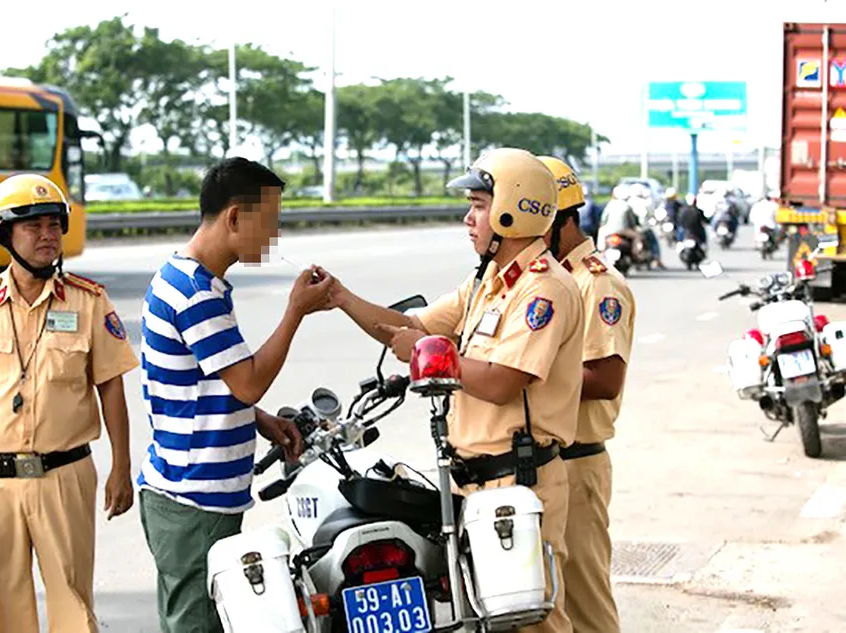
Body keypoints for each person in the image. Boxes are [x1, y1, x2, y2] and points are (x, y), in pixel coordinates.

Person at [326, 147, 584, 633]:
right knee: (482, 621)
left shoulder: (544, 289)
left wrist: (429, 353)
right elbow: (408, 327)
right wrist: (341, 298)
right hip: (472, 482)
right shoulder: (487, 281)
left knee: (533, 624)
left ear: (512, 210)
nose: (469, 219)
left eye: (479, 206)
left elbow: (503, 382)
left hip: (518, 482)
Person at [0, 173, 140, 632]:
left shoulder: (89, 302)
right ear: (4, 233)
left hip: (65, 476)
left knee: (73, 604)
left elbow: (111, 387)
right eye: (33, 226)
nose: (47, 236)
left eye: (54, 225)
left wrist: (121, 466)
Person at [136, 156, 330, 633]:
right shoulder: (195, 293)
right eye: (270, 222)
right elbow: (248, 382)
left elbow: (206, 383)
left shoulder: (196, 281)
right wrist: (295, 311)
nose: (274, 236)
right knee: (196, 625)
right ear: (236, 217)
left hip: (199, 494)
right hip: (193, 497)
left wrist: (260, 420)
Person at [539, 157, 637, 633]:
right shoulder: (543, 280)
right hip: (539, 465)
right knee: (543, 606)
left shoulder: (596, 284)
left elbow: (605, 378)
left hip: (576, 464)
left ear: (564, 221)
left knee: (585, 606)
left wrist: (520, 377)